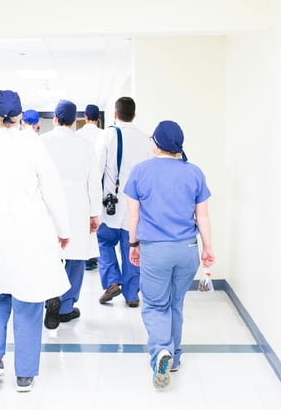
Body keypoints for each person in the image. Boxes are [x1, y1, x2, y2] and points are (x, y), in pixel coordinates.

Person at [0, 90, 71, 393]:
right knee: (28, 302)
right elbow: (53, 190)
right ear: (20, 116)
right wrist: (63, 228)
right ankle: (24, 374)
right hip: (28, 237)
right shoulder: (34, 146)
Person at [123, 120, 215, 389]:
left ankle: (161, 351)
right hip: (187, 250)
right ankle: (173, 358)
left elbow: (133, 215)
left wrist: (133, 244)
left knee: (154, 305)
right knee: (175, 303)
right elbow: (203, 216)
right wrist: (208, 248)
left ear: (156, 143)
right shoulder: (194, 172)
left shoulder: (140, 172)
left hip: (156, 250)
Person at [40, 100, 101, 329]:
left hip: (48, 206)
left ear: (55, 118)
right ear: (76, 121)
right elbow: (94, 183)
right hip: (78, 206)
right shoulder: (85, 145)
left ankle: (50, 295)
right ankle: (65, 307)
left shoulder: (41, 142)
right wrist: (95, 214)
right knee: (76, 257)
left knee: (49, 254)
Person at [95, 96, 152, 308]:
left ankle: (112, 281)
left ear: (115, 115)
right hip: (135, 208)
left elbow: (97, 170)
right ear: (134, 115)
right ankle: (132, 295)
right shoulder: (145, 139)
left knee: (104, 243)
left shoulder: (108, 135)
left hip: (110, 205)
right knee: (132, 247)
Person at [77, 104, 103, 271]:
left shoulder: (77, 135)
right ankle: (95, 257)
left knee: (82, 219)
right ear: (98, 119)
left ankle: (86, 259)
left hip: (81, 183)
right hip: (98, 181)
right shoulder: (104, 134)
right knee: (97, 219)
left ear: (85, 117)